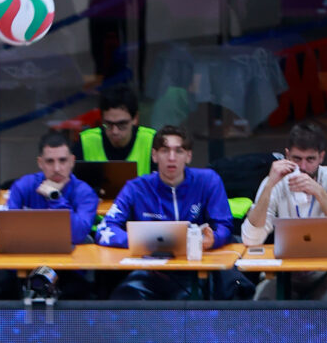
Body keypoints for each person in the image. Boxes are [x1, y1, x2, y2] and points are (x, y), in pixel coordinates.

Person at [96, 125, 235, 300]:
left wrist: (213, 239)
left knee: (192, 301)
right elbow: (104, 230)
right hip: (149, 271)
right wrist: (139, 242)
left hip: (193, 270)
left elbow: (225, 226)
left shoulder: (208, 181)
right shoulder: (136, 187)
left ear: (188, 156)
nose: (171, 157)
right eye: (165, 150)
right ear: (154, 155)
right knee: (124, 297)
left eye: (179, 151)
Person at [241, 120, 327, 300]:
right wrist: (269, 186)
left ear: (321, 157)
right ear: (287, 155)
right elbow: (251, 239)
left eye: (310, 159)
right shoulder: (274, 182)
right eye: (297, 159)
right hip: (283, 270)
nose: (303, 167)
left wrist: (320, 193)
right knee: (263, 301)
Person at [8, 130, 98, 246]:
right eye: (50, 161)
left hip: (71, 254)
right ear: (40, 163)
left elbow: (78, 235)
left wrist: (55, 198)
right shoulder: (23, 186)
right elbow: (7, 230)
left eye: (62, 160)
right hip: (28, 251)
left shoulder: (85, 192)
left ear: (72, 161)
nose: (56, 168)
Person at [75, 84, 154, 175]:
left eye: (122, 124)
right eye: (108, 124)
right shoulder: (86, 141)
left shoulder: (151, 141)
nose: (114, 131)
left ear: (135, 119)